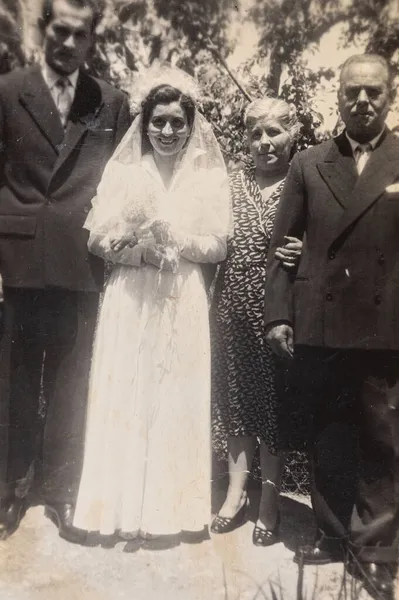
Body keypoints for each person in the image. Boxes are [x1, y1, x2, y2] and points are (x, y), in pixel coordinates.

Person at [72, 67, 231, 541]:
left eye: (177, 122)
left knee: (175, 399)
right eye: (158, 122)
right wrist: (136, 247)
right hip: (132, 293)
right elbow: (97, 237)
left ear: (191, 124)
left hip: (181, 295)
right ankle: (115, 511)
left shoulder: (207, 176)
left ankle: (168, 514)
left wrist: (175, 239)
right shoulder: (124, 171)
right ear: (144, 125)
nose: (166, 131)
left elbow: (217, 245)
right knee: (127, 392)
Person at [265, 54, 399, 599]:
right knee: (329, 434)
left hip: (386, 323)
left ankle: (377, 549)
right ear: (337, 98)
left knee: (382, 437)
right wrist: (278, 313)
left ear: (390, 95)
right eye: (353, 92)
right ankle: (331, 531)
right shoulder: (309, 163)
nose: (363, 101)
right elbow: (281, 247)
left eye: (374, 92)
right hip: (320, 322)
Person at [0, 0, 131, 543]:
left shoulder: (111, 102)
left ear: (92, 40)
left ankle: (60, 491)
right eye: (61, 31)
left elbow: (122, 184)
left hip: (81, 264)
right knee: (12, 381)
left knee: (72, 384)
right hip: (17, 262)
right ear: (43, 29)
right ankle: (9, 489)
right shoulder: (8, 92)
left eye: (81, 35)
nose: (70, 44)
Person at [211, 98, 302, 546]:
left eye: (274, 132)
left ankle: (269, 503)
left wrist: (307, 253)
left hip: (278, 314)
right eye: (255, 134)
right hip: (228, 310)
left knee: (271, 409)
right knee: (235, 404)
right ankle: (234, 494)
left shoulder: (304, 180)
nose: (264, 142)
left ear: (293, 134)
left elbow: (327, 241)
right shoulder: (229, 182)